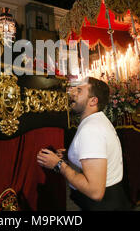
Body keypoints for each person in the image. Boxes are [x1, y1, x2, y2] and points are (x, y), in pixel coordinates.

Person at [36, 77, 130, 211]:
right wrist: (71, 156)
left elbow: (95, 191)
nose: (72, 93)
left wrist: (58, 165)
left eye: (79, 91)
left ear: (93, 101)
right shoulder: (96, 120)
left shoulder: (91, 130)